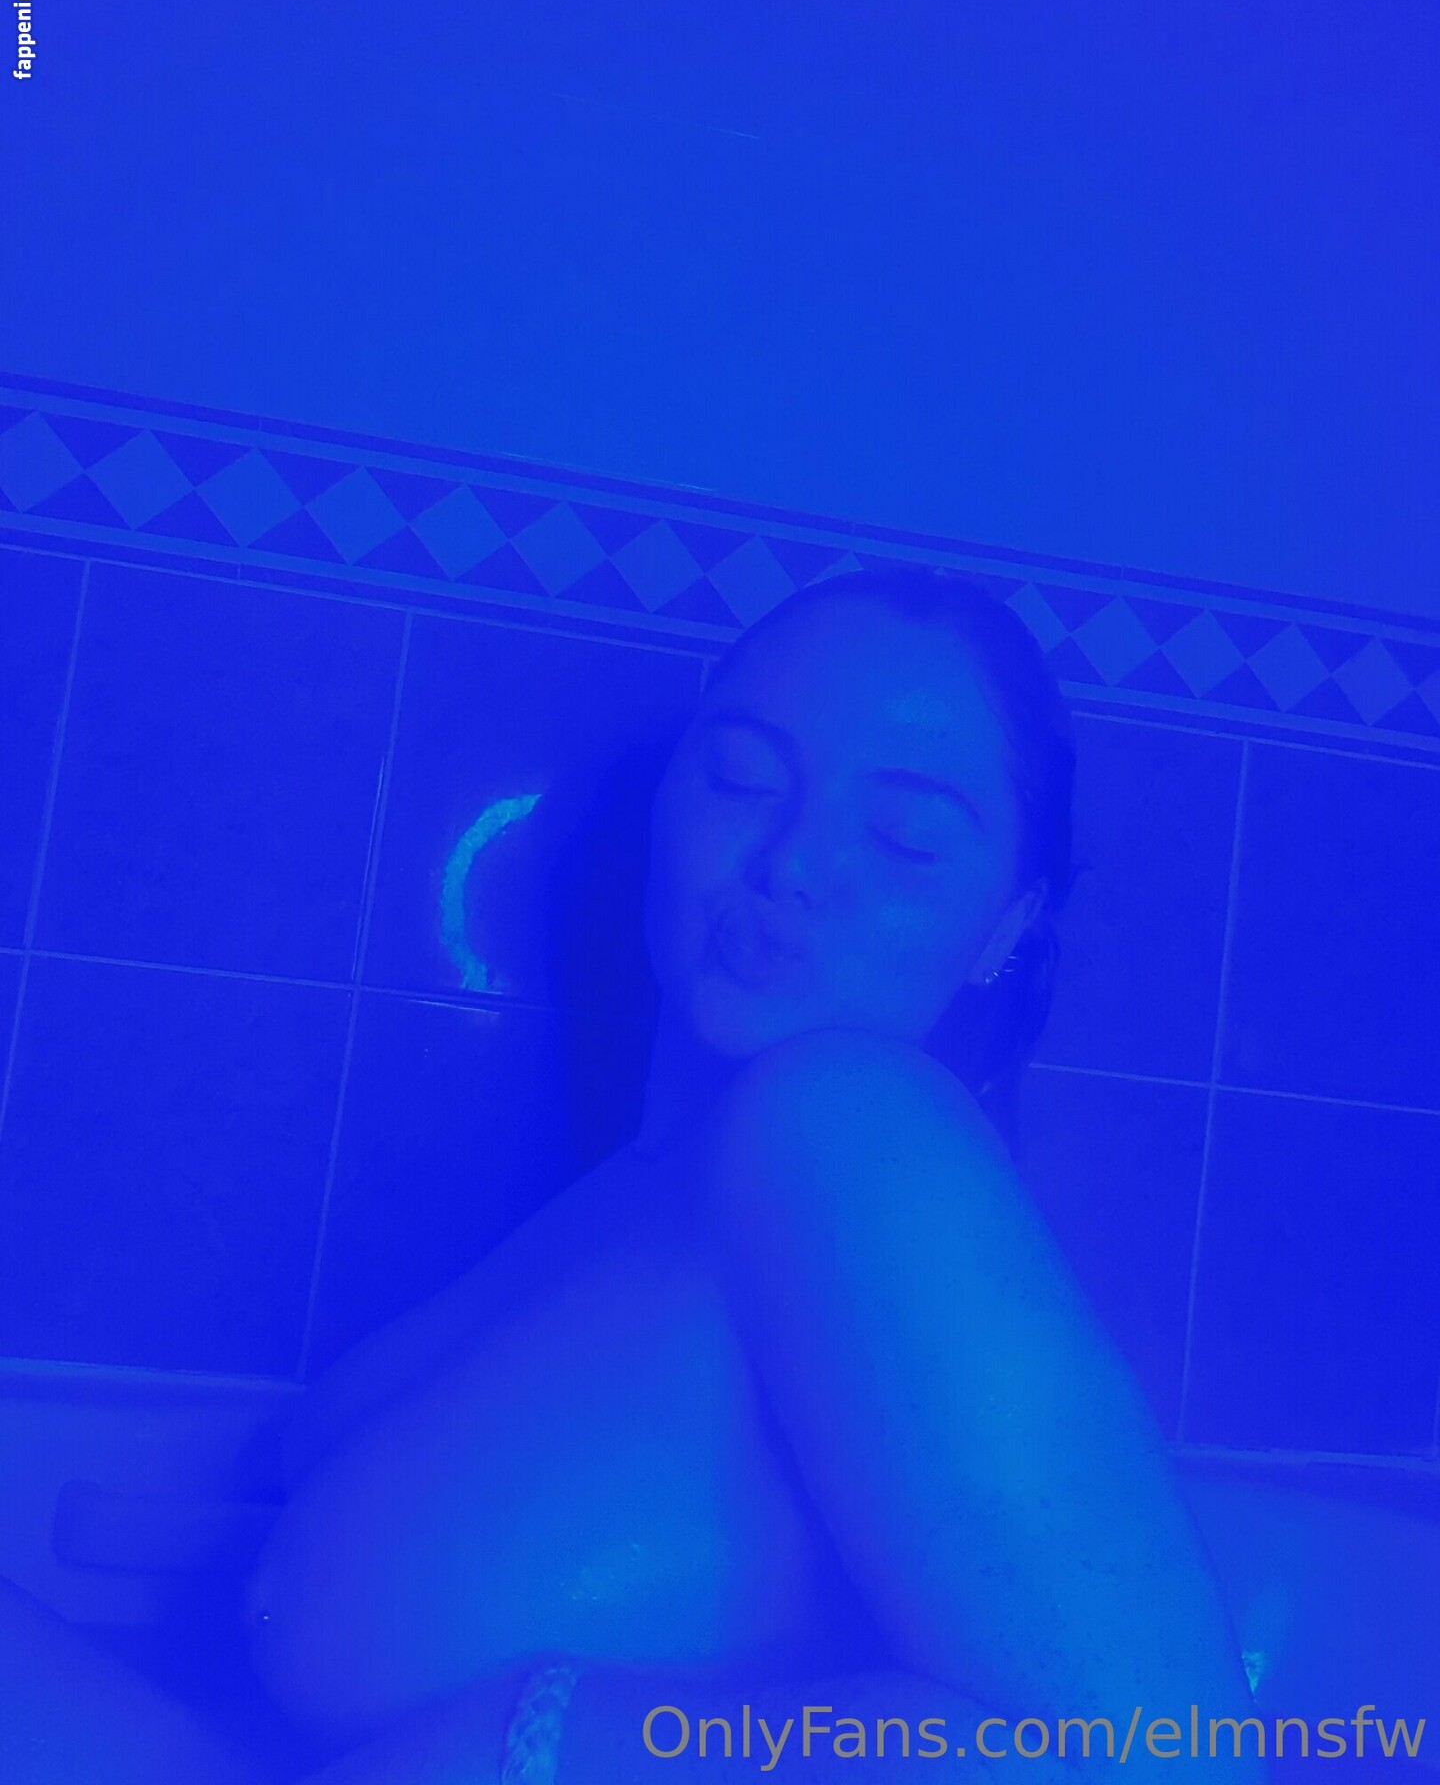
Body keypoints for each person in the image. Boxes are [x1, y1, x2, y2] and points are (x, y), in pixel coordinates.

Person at [0, 569, 1264, 1783]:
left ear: (1005, 930)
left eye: (905, 838)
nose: (792, 862)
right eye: (742, 776)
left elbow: (1154, 1764)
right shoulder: (652, 1193)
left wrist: (527, 1739)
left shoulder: (853, 1129)